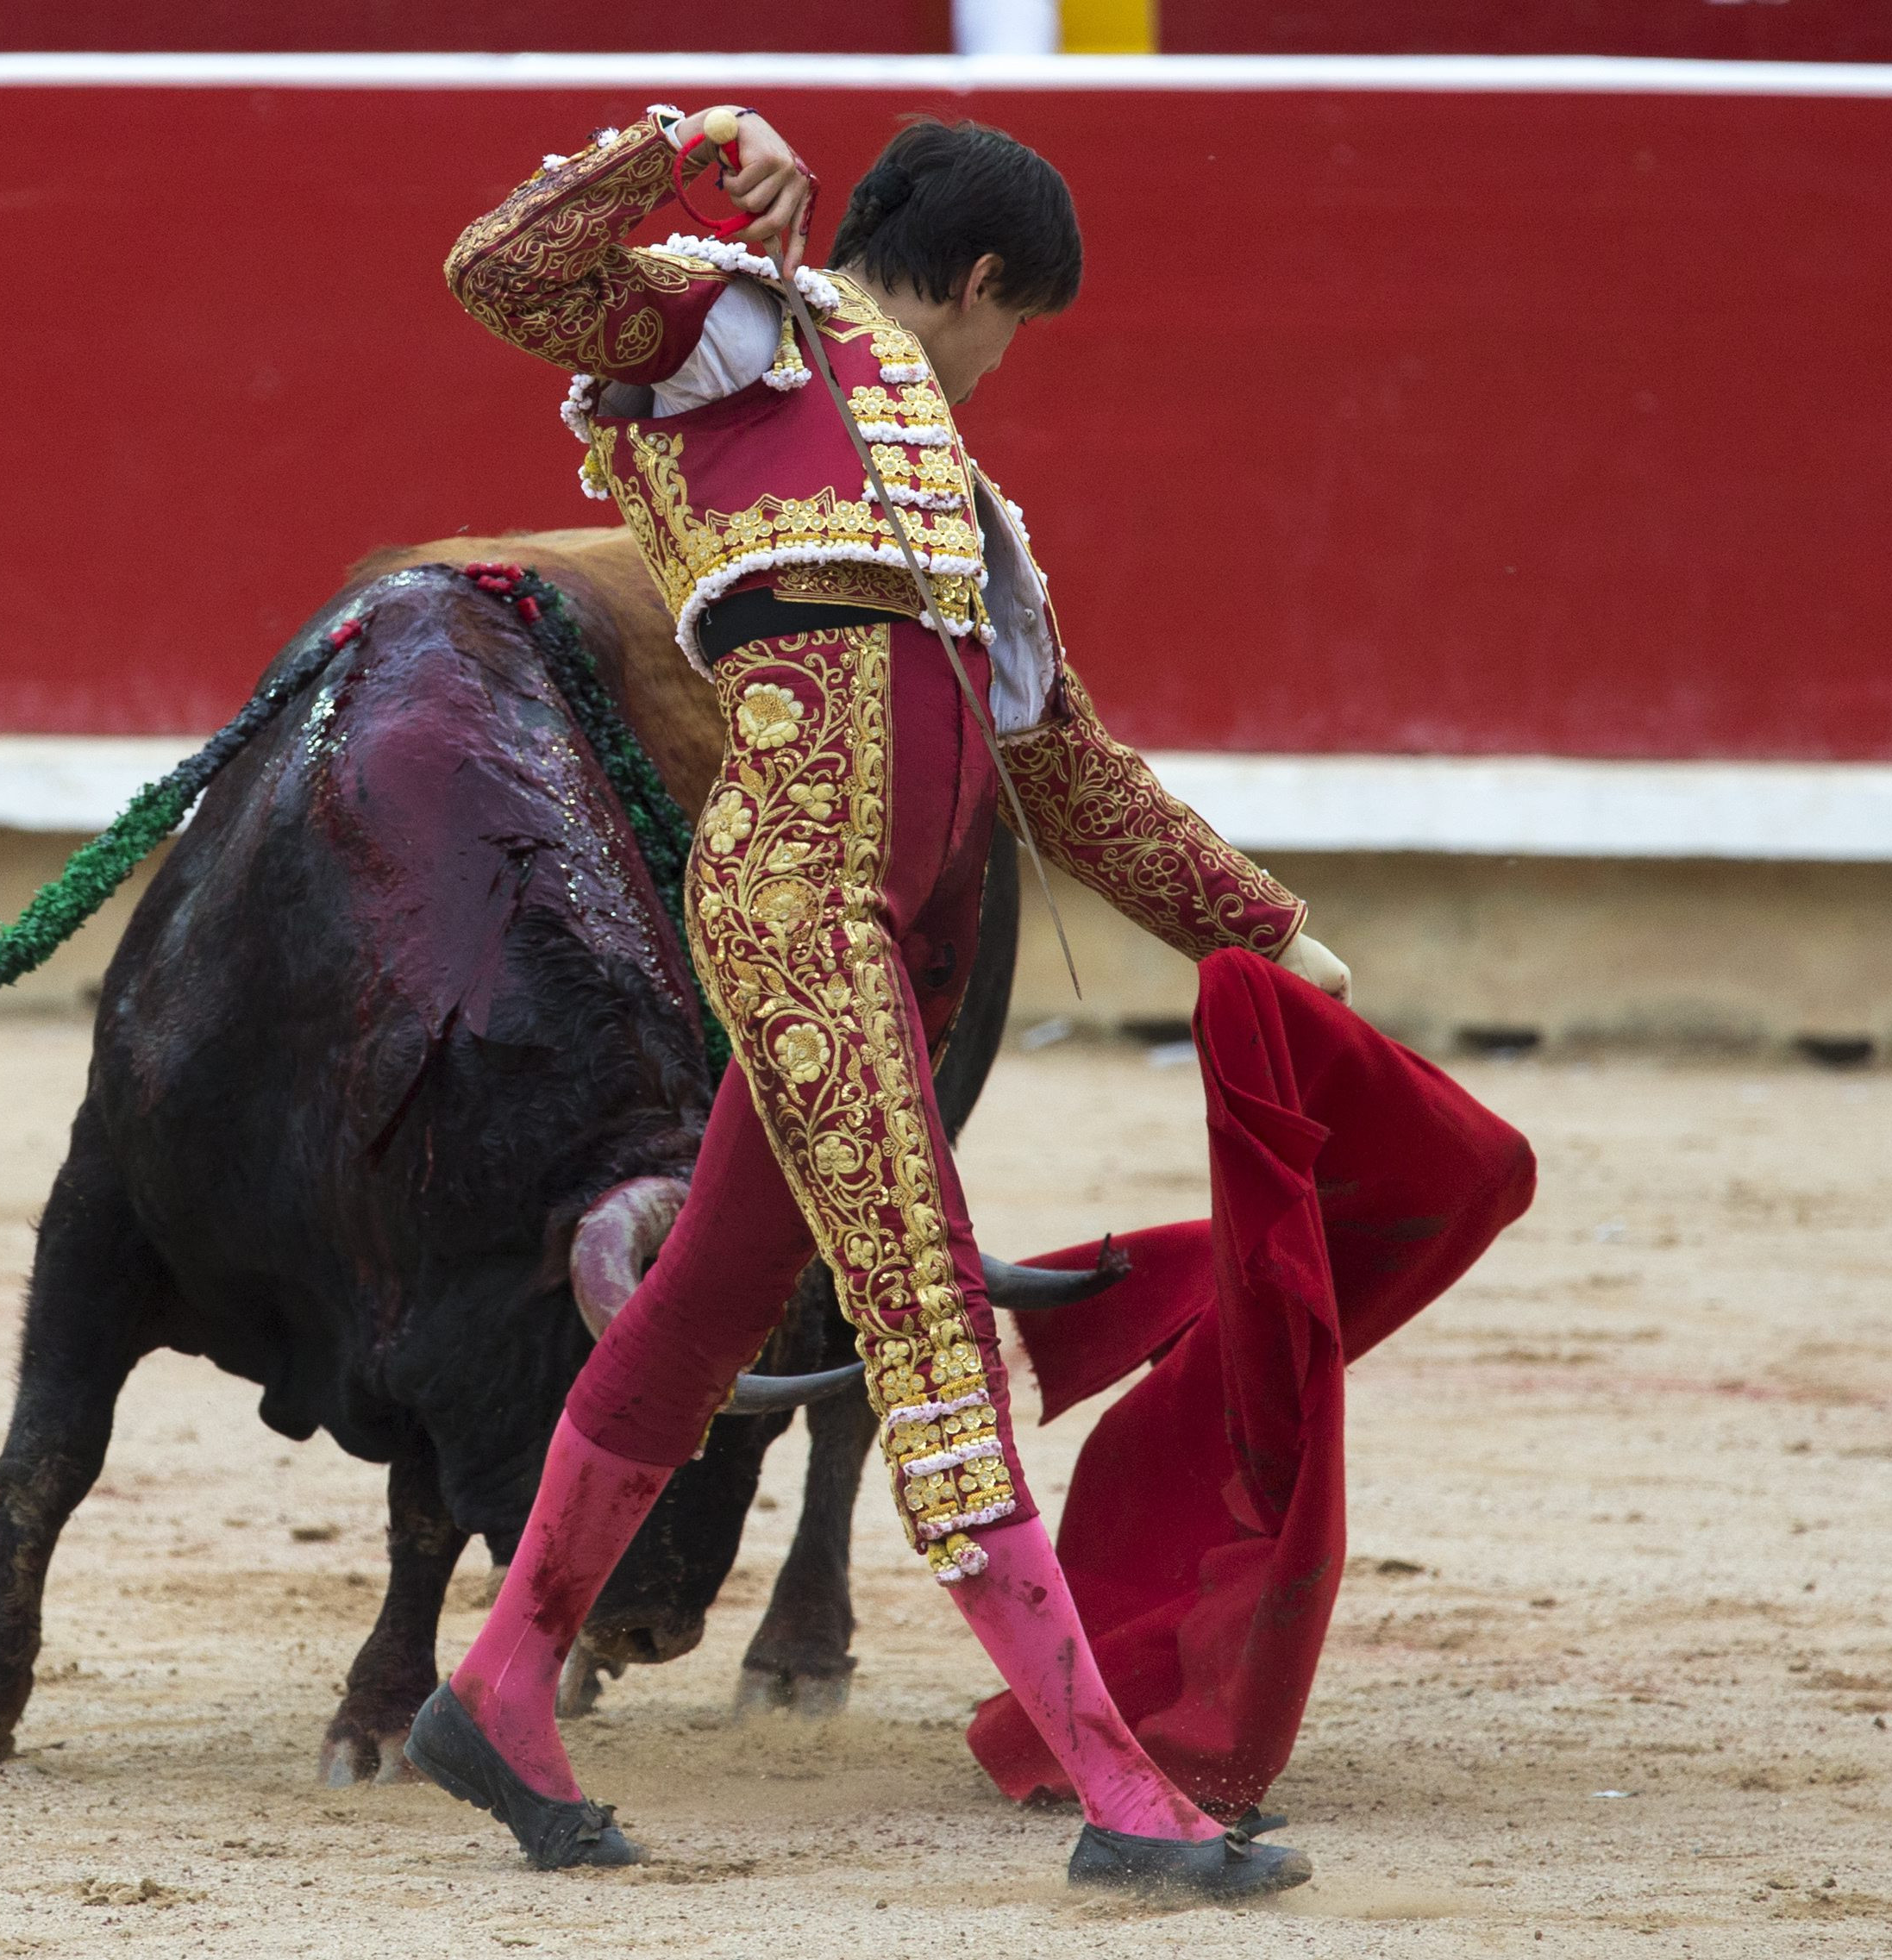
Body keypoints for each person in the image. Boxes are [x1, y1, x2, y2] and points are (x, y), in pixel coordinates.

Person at [407, 103, 1352, 1901]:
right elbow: (500, 269)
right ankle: (1119, 1793)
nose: (998, 370)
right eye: (1015, 329)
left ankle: (505, 1684)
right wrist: (683, 139)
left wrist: (1263, 935)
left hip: (892, 933)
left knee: (703, 1305)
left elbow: (1064, 770)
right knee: (920, 1310)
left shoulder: (964, 510)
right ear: (984, 279)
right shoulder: (728, 328)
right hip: (794, 898)